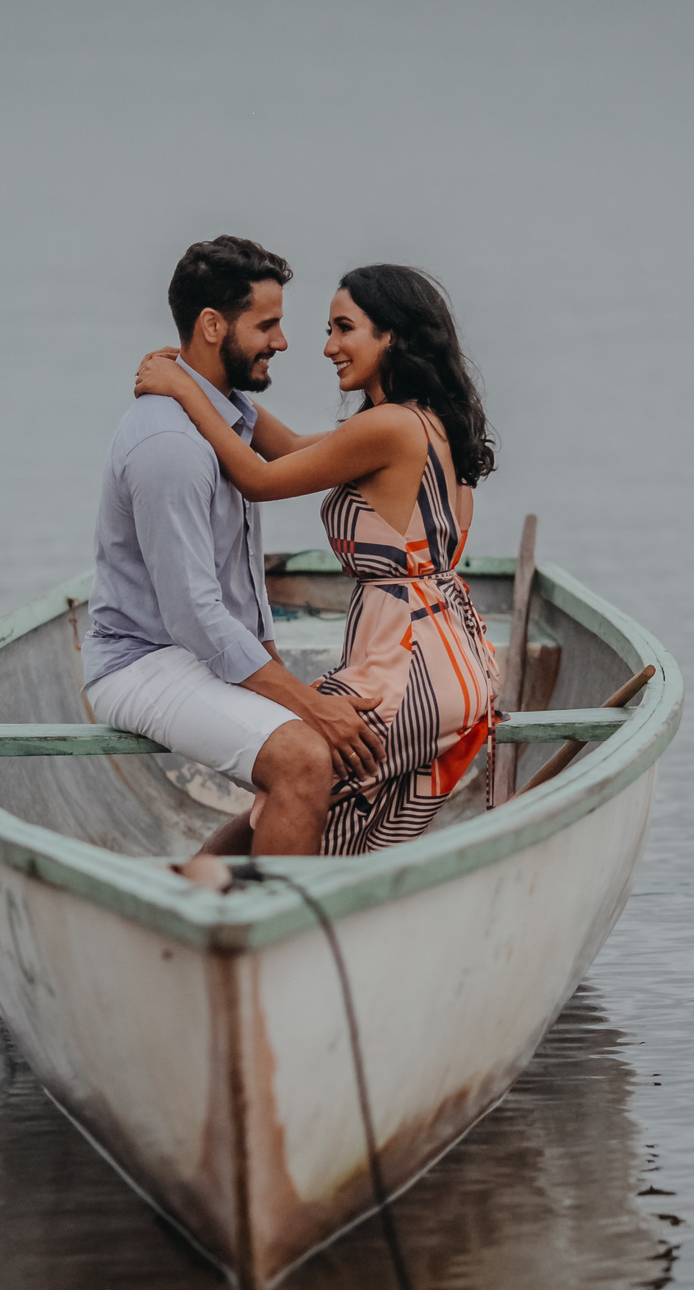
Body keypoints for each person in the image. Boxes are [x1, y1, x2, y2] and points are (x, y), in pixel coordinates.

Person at [134, 263, 501, 856]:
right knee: (305, 814)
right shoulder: (422, 422)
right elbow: (283, 447)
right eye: (330, 330)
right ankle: (214, 892)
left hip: (408, 668)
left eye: (344, 328)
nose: (328, 347)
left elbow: (258, 479)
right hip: (447, 659)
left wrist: (184, 391)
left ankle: (214, 899)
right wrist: (209, 384)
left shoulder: (388, 427)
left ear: (392, 336)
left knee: (290, 768)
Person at [83, 235, 385, 858]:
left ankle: (196, 890)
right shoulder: (170, 445)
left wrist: (404, 419)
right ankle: (268, 918)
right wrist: (308, 706)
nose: (283, 342)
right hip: (144, 661)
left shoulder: (227, 414)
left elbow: (299, 455)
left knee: (326, 754)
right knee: (304, 757)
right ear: (212, 326)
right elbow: (194, 616)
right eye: (266, 325)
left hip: (196, 652)